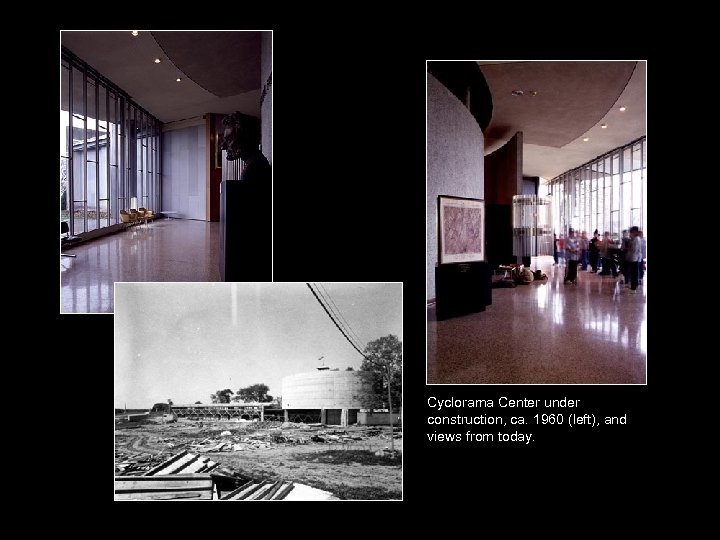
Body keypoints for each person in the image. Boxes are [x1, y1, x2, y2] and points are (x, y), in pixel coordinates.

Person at [219, 112, 271, 280]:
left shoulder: (254, 169)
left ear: (245, 138)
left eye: (228, 139)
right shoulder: (255, 164)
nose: (223, 146)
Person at [626, 226, 642, 292]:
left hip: (634, 258)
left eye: (631, 232)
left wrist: (629, 248)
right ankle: (633, 286)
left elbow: (634, 249)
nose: (630, 234)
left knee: (634, 273)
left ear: (635, 232)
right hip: (632, 258)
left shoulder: (636, 239)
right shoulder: (634, 239)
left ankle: (634, 288)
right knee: (633, 273)